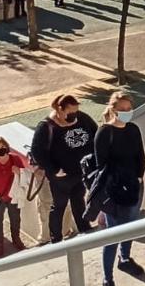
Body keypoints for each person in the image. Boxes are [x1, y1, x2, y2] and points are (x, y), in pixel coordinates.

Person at [93, 91, 145, 286]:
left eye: (129, 109)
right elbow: (101, 167)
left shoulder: (133, 129)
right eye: (122, 110)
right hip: (114, 193)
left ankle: (125, 259)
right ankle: (107, 280)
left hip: (134, 187)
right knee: (112, 236)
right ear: (113, 110)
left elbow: (140, 156)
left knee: (131, 226)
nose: (126, 113)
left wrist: (139, 178)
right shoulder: (104, 133)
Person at [30, 94, 96, 243]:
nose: (74, 115)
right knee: (59, 206)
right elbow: (37, 151)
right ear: (60, 110)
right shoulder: (46, 127)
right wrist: (53, 170)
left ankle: (84, 228)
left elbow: (95, 133)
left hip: (80, 172)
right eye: (70, 112)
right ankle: (56, 238)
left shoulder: (82, 118)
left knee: (79, 200)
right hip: (61, 177)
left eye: (76, 111)